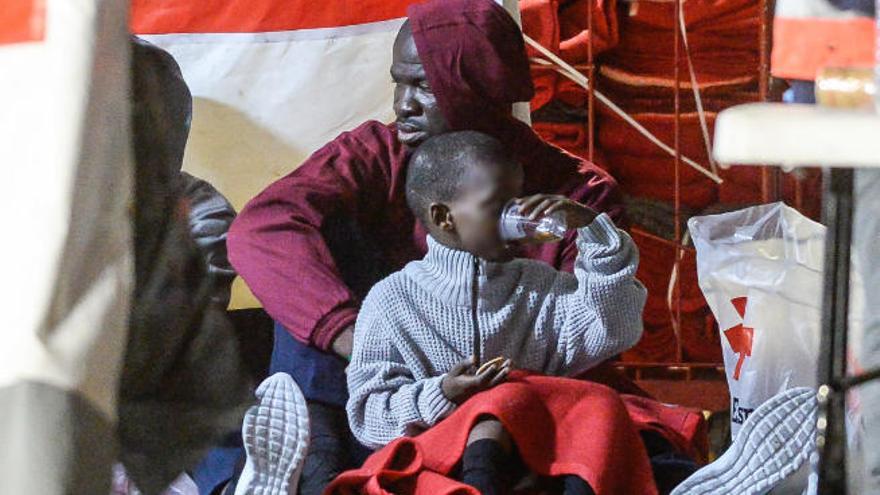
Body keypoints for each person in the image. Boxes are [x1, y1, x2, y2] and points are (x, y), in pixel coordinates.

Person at [224, 1, 635, 493]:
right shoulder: (379, 152)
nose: (403, 104)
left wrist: (470, 385)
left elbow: (590, 338)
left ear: (478, 92)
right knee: (315, 243)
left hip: (510, 405)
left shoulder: (577, 197)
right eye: (400, 83)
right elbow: (262, 228)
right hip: (381, 398)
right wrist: (355, 334)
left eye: (423, 85)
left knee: (610, 428)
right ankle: (312, 472)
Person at [346, 130, 646, 494]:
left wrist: (592, 229)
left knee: (600, 405)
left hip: (537, 456)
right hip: (436, 466)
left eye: (516, 202)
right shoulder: (391, 301)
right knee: (498, 406)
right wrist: (443, 392)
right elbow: (367, 415)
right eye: (496, 207)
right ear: (444, 218)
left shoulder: (539, 285)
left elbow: (614, 329)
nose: (516, 219)